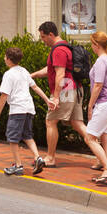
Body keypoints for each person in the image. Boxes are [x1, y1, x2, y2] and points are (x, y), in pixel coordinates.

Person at [27, 21, 87, 170]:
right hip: (75, 89)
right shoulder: (65, 47)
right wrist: (31, 76)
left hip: (66, 90)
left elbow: (60, 74)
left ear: (51, 35)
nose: (42, 40)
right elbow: (50, 69)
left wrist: (55, 96)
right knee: (78, 124)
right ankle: (101, 155)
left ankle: (50, 158)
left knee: (51, 121)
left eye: (43, 37)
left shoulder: (58, 50)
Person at [0, 45, 53, 175]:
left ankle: (18, 165)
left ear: (8, 59)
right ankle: (38, 158)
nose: (4, 59)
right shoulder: (24, 71)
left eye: (5, 57)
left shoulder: (8, 75)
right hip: (29, 108)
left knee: (13, 138)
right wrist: (47, 100)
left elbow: (4, 95)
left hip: (17, 110)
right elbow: (35, 87)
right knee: (27, 135)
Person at [83, 30, 107, 185]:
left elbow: (98, 85)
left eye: (92, 44)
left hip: (104, 103)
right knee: (106, 140)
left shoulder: (100, 61)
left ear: (96, 45)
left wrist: (90, 106)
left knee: (89, 137)